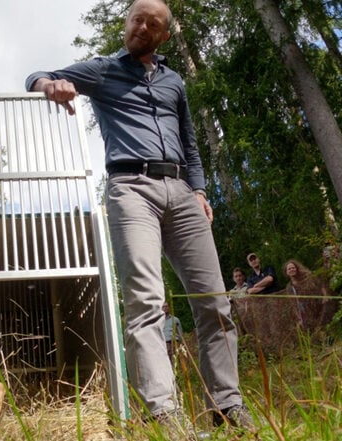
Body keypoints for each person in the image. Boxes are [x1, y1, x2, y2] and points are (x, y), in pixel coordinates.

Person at [25, 0, 254, 436]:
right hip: (131, 189)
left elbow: (190, 144)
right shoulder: (102, 70)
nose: (142, 27)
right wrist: (47, 84)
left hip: (183, 193)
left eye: (153, 23)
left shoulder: (174, 82)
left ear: (163, 34)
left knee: (215, 303)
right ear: (126, 23)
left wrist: (201, 190)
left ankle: (227, 406)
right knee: (146, 302)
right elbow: (37, 74)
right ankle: (164, 415)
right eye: (136, 18)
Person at [284, 259, 330, 331]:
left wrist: (325, 295)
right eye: (289, 269)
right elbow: (293, 303)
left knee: (324, 324)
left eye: (293, 267)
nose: (291, 270)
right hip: (306, 310)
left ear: (297, 268)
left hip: (318, 303)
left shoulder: (307, 276)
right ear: (287, 272)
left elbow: (320, 284)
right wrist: (299, 318)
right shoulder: (290, 287)